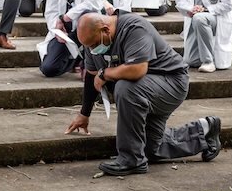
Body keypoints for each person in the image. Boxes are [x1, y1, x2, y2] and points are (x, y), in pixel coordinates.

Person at [65, 12, 222, 176]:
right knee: (149, 148)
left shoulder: (133, 27)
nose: (92, 50)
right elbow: (91, 76)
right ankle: (204, 130)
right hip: (145, 91)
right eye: (88, 46)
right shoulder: (94, 40)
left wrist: (105, 73)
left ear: (105, 30)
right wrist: (84, 114)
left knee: (125, 88)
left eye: (94, 44)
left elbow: (137, 69)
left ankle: (131, 160)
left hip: (171, 83)